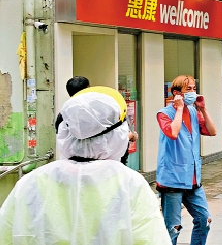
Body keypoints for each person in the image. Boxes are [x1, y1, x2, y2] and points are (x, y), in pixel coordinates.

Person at [0, 86, 170, 244]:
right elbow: (152, 238)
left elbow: (6, 234)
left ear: (64, 132)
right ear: (118, 134)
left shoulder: (31, 182)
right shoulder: (130, 183)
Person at [157, 75, 218, 245]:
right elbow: (173, 133)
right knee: (173, 228)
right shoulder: (163, 114)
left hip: (192, 178)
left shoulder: (193, 112)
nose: (193, 92)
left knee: (204, 220)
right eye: (188, 89)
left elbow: (212, 131)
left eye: (194, 88)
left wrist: (203, 109)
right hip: (172, 180)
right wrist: (178, 109)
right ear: (177, 93)